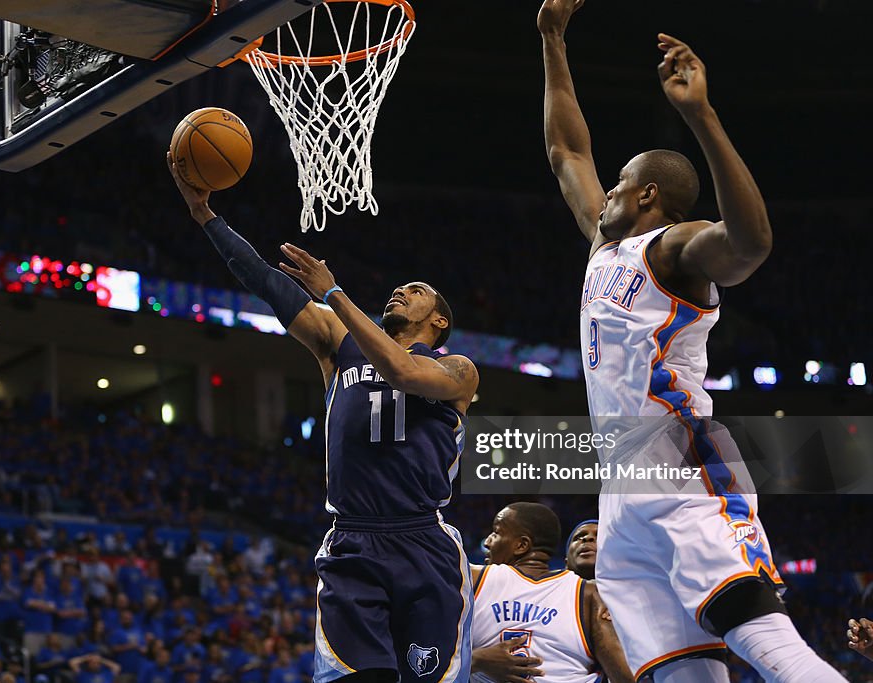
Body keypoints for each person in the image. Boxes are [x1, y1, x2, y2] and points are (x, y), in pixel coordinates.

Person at [537, 1, 847, 681]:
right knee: (679, 672)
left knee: (764, 638)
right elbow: (568, 149)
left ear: (646, 195)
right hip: (621, 491)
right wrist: (552, 39)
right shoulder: (604, 241)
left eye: (616, 184)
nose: (603, 192)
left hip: (683, 466)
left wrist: (701, 116)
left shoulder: (674, 246)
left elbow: (752, 243)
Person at [168, 153, 479, 683]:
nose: (400, 291)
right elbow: (267, 282)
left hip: (423, 542)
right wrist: (206, 217)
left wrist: (335, 293)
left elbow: (402, 372)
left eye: (417, 291)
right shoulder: (338, 345)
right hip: (353, 540)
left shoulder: (457, 370)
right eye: (399, 288)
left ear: (439, 319)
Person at [470, 503, 632, 683]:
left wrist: (473, 660)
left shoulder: (474, 579)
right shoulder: (588, 595)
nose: (487, 542)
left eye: (496, 533)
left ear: (522, 545)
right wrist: (475, 660)